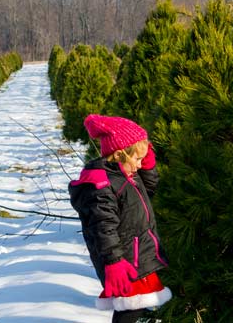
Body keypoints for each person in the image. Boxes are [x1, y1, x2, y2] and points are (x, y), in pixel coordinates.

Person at [69, 114, 172, 323]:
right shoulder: (102, 185)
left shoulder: (127, 176)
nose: (140, 165)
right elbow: (103, 227)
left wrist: (149, 163)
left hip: (136, 255)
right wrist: (114, 261)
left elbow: (148, 190)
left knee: (137, 307)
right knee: (130, 309)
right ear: (118, 155)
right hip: (123, 260)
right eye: (137, 159)